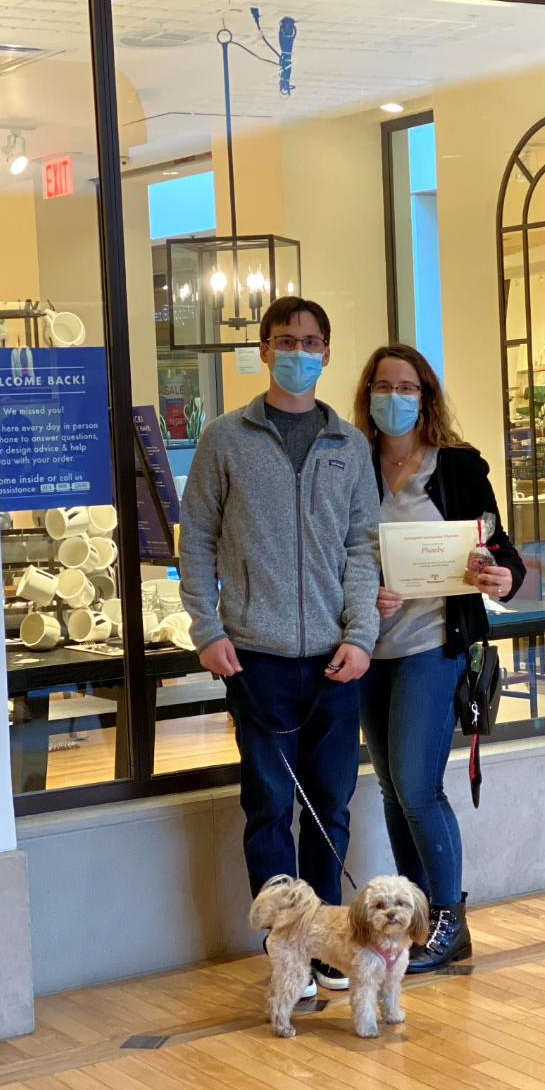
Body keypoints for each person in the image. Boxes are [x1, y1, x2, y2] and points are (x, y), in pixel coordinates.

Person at [180, 296, 380, 995]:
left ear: (326, 352)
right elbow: (196, 539)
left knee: (329, 808)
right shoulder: (225, 439)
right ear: (264, 350)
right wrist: (207, 629)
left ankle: (324, 947)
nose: (299, 352)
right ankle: (287, 952)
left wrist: (361, 637)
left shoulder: (349, 445)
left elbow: (362, 548)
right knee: (269, 807)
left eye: (311, 341)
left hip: (335, 660)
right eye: (286, 341)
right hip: (255, 657)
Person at [352, 344, 525, 972]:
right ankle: (415, 920)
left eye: (406, 387)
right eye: (382, 386)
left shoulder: (456, 467)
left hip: (432, 643)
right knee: (392, 789)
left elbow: (501, 551)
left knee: (418, 786)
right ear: (367, 395)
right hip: (368, 648)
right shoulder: (351, 463)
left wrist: (502, 577)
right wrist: (360, 594)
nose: (393, 397)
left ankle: (450, 922)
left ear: (425, 396)